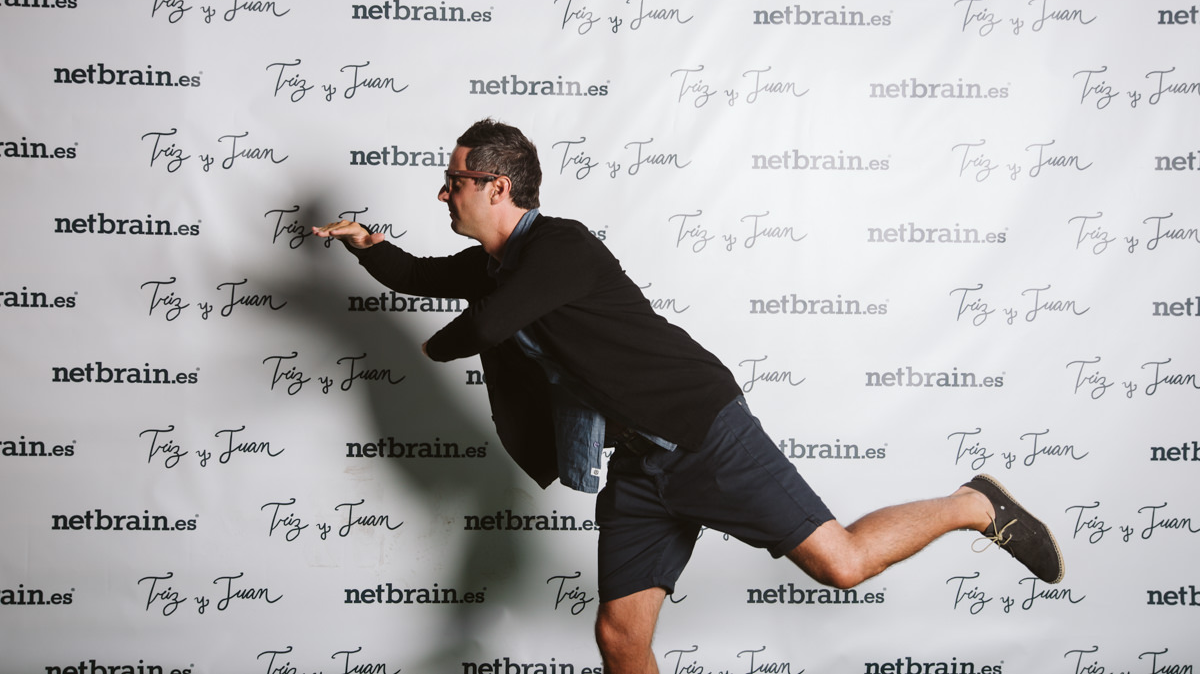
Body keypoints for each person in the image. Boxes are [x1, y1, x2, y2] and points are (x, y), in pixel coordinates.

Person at [314, 119, 1063, 674]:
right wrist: (367, 245)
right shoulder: (494, 264)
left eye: (454, 180)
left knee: (842, 563)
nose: (443, 192)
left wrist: (433, 349)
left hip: (704, 431)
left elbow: (485, 324)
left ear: (497, 186)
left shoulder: (561, 247)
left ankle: (972, 503)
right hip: (641, 461)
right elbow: (420, 275)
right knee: (621, 636)